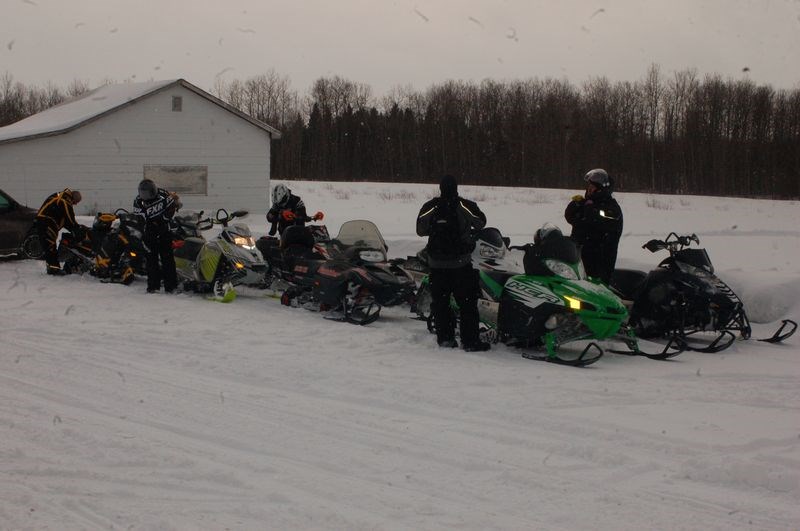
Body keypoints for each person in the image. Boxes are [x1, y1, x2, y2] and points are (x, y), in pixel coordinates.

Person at [416, 175, 490, 352]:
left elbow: (420, 230)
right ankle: (470, 341)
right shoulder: (465, 205)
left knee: (441, 304)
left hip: (436, 265)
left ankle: (445, 339)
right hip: (460, 265)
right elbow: (481, 223)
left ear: (440, 188)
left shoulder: (430, 206)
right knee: (467, 305)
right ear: (456, 188)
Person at [564, 168, 623, 283]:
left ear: (601, 189)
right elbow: (571, 218)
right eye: (588, 187)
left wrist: (589, 208)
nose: (589, 189)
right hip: (579, 258)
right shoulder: (586, 203)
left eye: (592, 187)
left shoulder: (611, 208)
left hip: (599, 262)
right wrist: (575, 204)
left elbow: (599, 220)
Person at [133, 179, 181, 293]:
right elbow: (140, 218)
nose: (146, 196)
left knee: (168, 260)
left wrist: (165, 218)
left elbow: (173, 204)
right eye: (143, 193)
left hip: (164, 231)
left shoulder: (163, 194)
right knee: (151, 261)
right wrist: (151, 223)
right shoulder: (138, 201)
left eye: (148, 192)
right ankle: (153, 287)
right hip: (149, 233)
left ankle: (171, 286)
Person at [36, 188, 83, 275]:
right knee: (50, 245)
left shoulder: (61, 197)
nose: (75, 204)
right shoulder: (65, 201)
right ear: (73, 198)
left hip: (45, 221)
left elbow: (66, 220)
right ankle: (54, 269)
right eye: (76, 202)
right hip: (47, 222)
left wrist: (76, 228)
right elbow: (70, 218)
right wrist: (77, 229)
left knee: (49, 245)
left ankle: (51, 267)